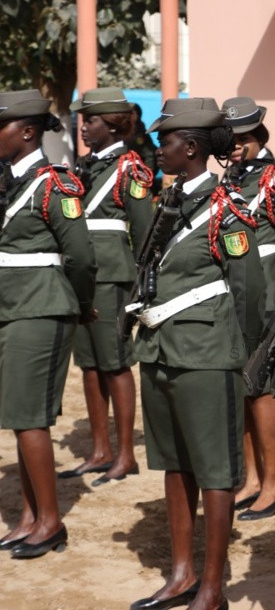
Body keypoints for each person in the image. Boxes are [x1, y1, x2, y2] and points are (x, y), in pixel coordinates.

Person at [129, 97, 265, 610]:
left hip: (208, 355)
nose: (157, 149)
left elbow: (249, 288)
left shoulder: (227, 209)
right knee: (175, 465)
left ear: (189, 147)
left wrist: (245, 355)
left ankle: (212, 587)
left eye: (164, 142)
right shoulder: (169, 202)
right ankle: (181, 574)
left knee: (215, 471)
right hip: (161, 352)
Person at [0, 89, 97, 558]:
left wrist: (79, 304)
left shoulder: (54, 183)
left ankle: (51, 523)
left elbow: (80, 254)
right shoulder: (10, 179)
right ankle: (28, 516)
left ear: (27, 131)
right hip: (12, 308)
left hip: (41, 307)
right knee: (20, 419)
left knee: (30, 419)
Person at [57, 87, 154, 487]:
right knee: (90, 364)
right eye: (83, 119)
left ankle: (125, 455)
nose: (84, 127)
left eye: (91, 120)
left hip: (112, 273)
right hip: (79, 273)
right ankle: (99, 450)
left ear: (112, 124)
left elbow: (144, 230)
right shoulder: (81, 166)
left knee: (115, 363)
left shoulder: (131, 169)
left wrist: (144, 281)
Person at [220, 96, 275, 522]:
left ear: (258, 137)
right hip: (232, 296)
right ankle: (251, 479)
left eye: (243, 138)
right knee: (242, 389)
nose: (235, 146)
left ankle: (272, 485)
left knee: (262, 388)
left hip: (264, 295)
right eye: (229, 139)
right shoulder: (230, 179)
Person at [124, 103, 160, 196]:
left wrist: (144, 175)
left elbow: (150, 155)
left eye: (131, 113)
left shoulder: (139, 133)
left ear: (136, 115)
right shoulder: (126, 130)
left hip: (136, 177)